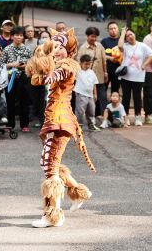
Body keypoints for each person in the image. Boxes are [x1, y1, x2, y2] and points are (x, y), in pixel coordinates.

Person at [26, 28, 95, 228]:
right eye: (53, 47)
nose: (55, 50)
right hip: (55, 119)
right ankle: (79, 194)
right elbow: (37, 79)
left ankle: (53, 216)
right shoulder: (59, 64)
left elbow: (48, 78)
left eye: (59, 47)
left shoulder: (67, 66)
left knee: (49, 166)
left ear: (69, 50)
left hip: (59, 121)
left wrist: (42, 59)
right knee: (50, 163)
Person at [117, 27, 152, 126]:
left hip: (138, 76)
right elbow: (120, 46)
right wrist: (122, 33)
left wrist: (145, 64)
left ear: (134, 34)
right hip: (126, 76)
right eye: (127, 36)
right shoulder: (125, 46)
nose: (129, 36)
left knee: (137, 97)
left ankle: (138, 117)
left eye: (131, 34)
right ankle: (125, 118)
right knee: (126, 97)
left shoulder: (142, 46)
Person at [0, 26, 32, 132]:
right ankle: (10, 124)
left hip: (24, 77)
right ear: (12, 36)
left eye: (21, 35)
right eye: (16, 35)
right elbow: (1, 64)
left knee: (24, 101)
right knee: (10, 101)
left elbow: (32, 64)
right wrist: (12, 64)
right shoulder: (7, 49)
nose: (18, 37)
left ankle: (24, 124)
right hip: (10, 78)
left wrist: (24, 66)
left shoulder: (27, 49)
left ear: (23, 37)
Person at [77, 27, 108, 119]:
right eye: (92, 36)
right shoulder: (83, 48)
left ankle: (103, 115)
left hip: (99, 75)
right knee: (89, 97)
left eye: (95, 37)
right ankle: (89, 117)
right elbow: (79, 63)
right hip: (88, 78)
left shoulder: (100, 46)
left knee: (102, 96)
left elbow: (104, 60)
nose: (94, 38)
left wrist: (105, 72)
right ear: (87, 36)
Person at [74, 54, 100, 131]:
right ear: (81, 63)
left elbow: (94, 83)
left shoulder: (91, 72)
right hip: (81, 94)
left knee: (91, 110)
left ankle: (91, 124)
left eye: (89, 64)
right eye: (86, 64)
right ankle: (79, 125)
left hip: (90, 95)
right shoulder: (78, 72)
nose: (87, 66)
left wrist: (95, 94)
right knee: (80, 111)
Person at [101, 21, 121, 93]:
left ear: (118, 29)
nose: (113, 30)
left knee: (115, 91)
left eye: (115, 28)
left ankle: (113, 103)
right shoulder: (104, 41)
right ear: (108, 30)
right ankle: (102, 104)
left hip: (118, 71)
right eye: (111, 29)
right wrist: (110, 58)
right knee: (103, 90)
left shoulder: (121, 42)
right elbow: (100, 54)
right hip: (106, 70)